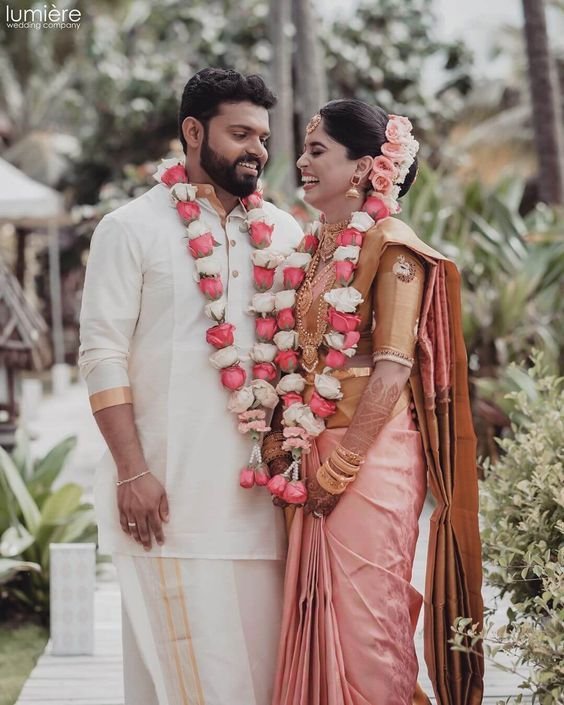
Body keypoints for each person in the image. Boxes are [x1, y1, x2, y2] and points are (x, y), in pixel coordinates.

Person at [78, 68, 304, 705]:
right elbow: (101, 353)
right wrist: (132, 470)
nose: (257, 150)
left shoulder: (285, 233)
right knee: (182, 687)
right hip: (167, 504)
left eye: (263, 137)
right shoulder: (131, 228)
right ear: (194, 131)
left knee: (262, 687)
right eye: (240, 134)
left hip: (263, 511)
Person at [265, 100, 484, 705]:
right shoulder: (314, 247)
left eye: (317, 151)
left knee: (367, 622)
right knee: (319, 613)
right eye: (304, 150)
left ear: (363, 167)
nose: (302, 162)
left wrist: (341, 466)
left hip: (372, 454)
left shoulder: (393, 247)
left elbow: (391, 369)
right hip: (313, 447)